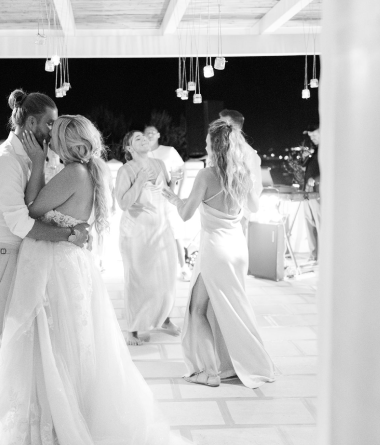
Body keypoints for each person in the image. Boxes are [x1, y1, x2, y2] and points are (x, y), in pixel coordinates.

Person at [0, 114, 211, 445]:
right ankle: (66, 423)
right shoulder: (86, 171)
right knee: (74, 347)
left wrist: (35, 165)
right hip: (67, 266)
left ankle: (69, 433)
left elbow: (33, 210)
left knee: (62, 349)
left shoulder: (73, 173)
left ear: (65, 143)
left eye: (53, 137)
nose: (47, 141)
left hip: (58, 269)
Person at [0, 90, 89, 445]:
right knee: (0, 347)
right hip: (3, 259)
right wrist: (70, 234)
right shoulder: (4, 163)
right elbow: (21, 223)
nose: (52, 130)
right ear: (29, 123)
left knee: (24, 348)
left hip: (26, 261)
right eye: (48, 123)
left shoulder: (33, 155)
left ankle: (24, 432)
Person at [165, 118, 275, 388]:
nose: (205, 147)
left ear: (215, 146)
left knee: (196, 310)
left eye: (206, 143)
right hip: (237, 248)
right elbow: (254, 207)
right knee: (235, 308)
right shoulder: (243, 174)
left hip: (215, 249)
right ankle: (240, 363)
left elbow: (185, 213)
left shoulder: (206, 175)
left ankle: (211, 373)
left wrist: (172, 197)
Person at [115, 130, 180, 346]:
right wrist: (140, 181)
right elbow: (123, 203)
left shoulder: (160, 164)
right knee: (138, 280)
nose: (143, 139)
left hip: (161, 229)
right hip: (136, 233)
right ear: (129, 148)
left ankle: (164, 319)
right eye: (137, 138)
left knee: (166, 277)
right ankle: (133, 329)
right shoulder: (126, 170)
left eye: (144, 137)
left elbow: (167, 195)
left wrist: (174, 183)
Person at [145, 124, 190, 280]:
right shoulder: (142, 154)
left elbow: (182, 170)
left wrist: (179, 193)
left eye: (153, 132)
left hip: (168, 198)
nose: (150, 135)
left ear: (158, 135)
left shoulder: (168, 151)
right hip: (149, 202)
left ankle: (183, 268)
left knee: (175, 233)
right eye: (147, 133)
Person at [219, 109, 263, 234]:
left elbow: (255, 186)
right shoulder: (223, 150)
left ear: (233, 127)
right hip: (220, 213)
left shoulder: (247, 153)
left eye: (221, 124)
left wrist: (244, 215)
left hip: (237, 215)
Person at [303, 123, 320, 262]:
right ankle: (313, 254)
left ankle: (322, 256)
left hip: (318, 193)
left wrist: (315, 179)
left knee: (320, 224)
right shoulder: (316, 150)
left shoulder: (327, 149)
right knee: (309, 223)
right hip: (308, 192)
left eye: (314, 134)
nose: (312, 138)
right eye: (310, 136)